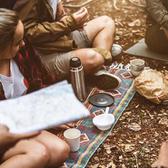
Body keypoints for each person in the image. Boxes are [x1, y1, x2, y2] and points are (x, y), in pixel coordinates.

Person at [0, 8, 70, 167]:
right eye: (17, 42)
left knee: (60, 150)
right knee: (39, 153)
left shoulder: (21, 51)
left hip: (20, 120)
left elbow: (41, 80)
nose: (23, 43)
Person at [14, 0, 122, 84]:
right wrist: (69, 23)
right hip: (41, 55)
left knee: (106, 22)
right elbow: (28, 33)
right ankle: (95, 61)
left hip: (59, 39)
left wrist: (66, 18)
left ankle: (96, 71)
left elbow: (53, 19)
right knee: (95, 58)